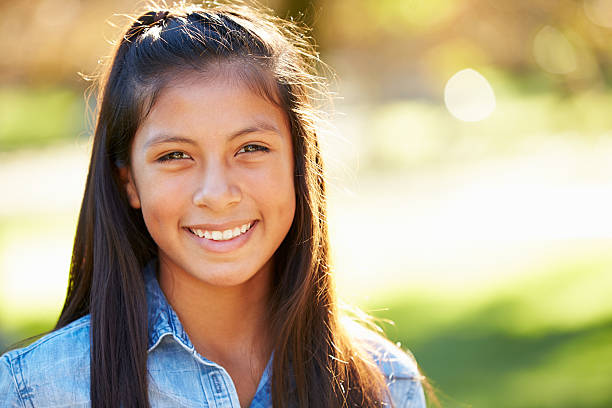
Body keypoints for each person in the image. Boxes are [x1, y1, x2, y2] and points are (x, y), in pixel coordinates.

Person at [0, 1, 427, 407]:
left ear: (299, 163)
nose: (218, 194)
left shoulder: (386, 384)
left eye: (251, 148)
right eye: (174, 156)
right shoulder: (36, 391)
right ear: (129, 182)